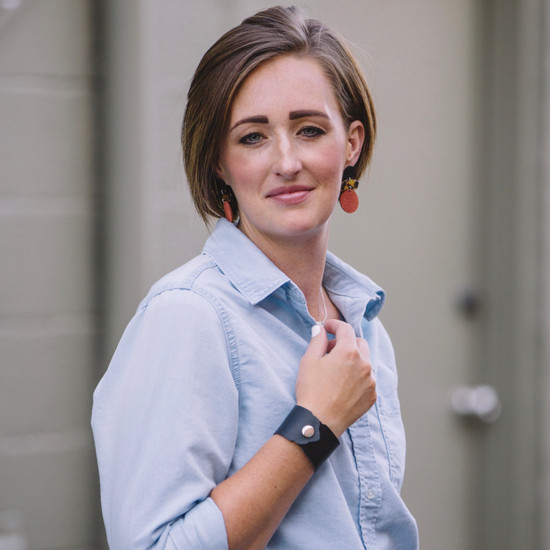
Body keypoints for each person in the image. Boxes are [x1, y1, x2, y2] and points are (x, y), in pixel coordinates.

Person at [92, 5, 419, 549]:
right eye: (252, 137)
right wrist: (314, 421)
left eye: (309, 129)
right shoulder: (189, 315)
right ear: (220, 162)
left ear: (353, 143)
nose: (286, 161)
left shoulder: (363, 324)